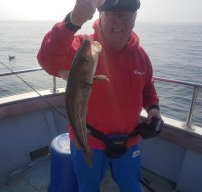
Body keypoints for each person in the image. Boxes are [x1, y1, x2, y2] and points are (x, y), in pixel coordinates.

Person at [37, 0, 162, 191]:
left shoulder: (142, 56)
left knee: (132, 187)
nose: (118, 21)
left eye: (125, 14)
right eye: (112, 14)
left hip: (129, 142)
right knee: (87, 188)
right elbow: (48, 59)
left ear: (135, 18)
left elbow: (147, 86)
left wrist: (153, 109)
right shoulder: (83, 46)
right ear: (100, 17)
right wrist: (72, 22)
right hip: (88, 140)